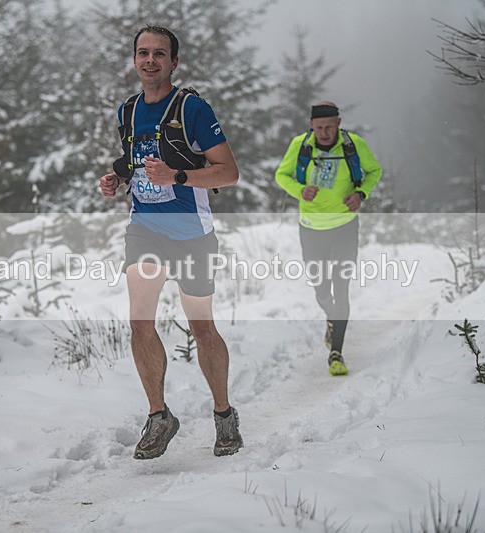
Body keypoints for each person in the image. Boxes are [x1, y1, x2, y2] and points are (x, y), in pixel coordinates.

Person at [99, 25, 243, 460]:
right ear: (135, 59)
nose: (150, 60)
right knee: (140, 321)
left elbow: (228, 172)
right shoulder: (127, 110)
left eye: (159, 54)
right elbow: (135, 162)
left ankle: (223, 415)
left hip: (192, 234)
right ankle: (159, 415)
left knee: (201, 325)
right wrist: (118, 178)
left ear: (173, 62)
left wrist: (179, 176)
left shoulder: (192, 108)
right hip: (144, 228)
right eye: (143, 52)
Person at [275, 101, 382, 376]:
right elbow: (281, 175)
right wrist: (299, 190)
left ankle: (336, 352)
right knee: (321, 287)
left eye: (329, 127)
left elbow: (374, 172)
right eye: (319, 127)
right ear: (311, 125)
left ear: (339, 123)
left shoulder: (352, 144)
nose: (324, 133)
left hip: (345, 226)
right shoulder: (301, 145)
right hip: (311, 228)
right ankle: (331, 317)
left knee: (341, 286)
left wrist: (361, 194)